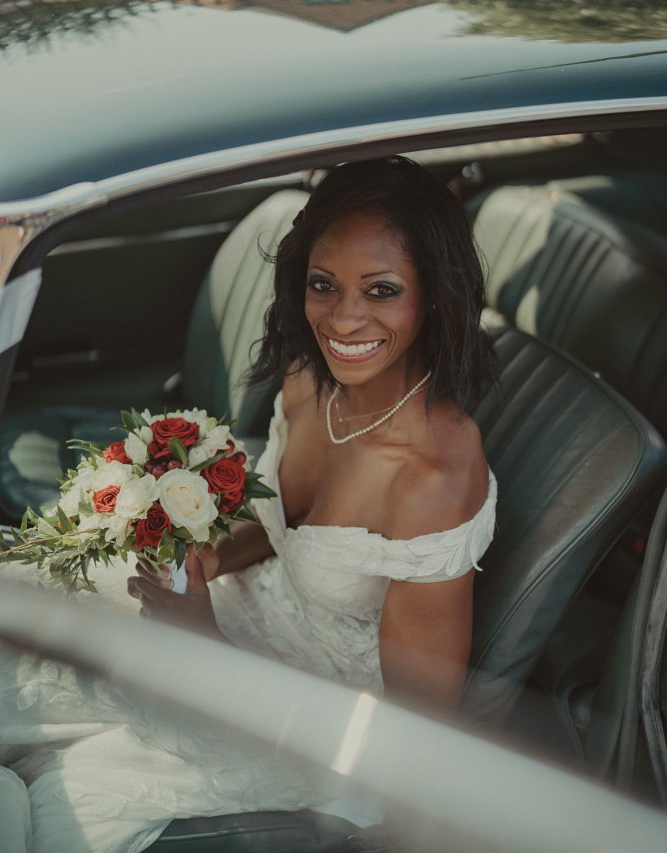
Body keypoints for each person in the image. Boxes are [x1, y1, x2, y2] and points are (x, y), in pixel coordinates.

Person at [0, 156, 497, 852]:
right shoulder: (307, 380)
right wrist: (207, 550)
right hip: (231, 605)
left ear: (435, 295)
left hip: (305, 719)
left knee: (63, 803)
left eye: (381, 290)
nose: (344, 319)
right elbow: (277, 527)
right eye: (322, 285)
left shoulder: (431, 478)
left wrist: (204, 643)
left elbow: (414, 730)